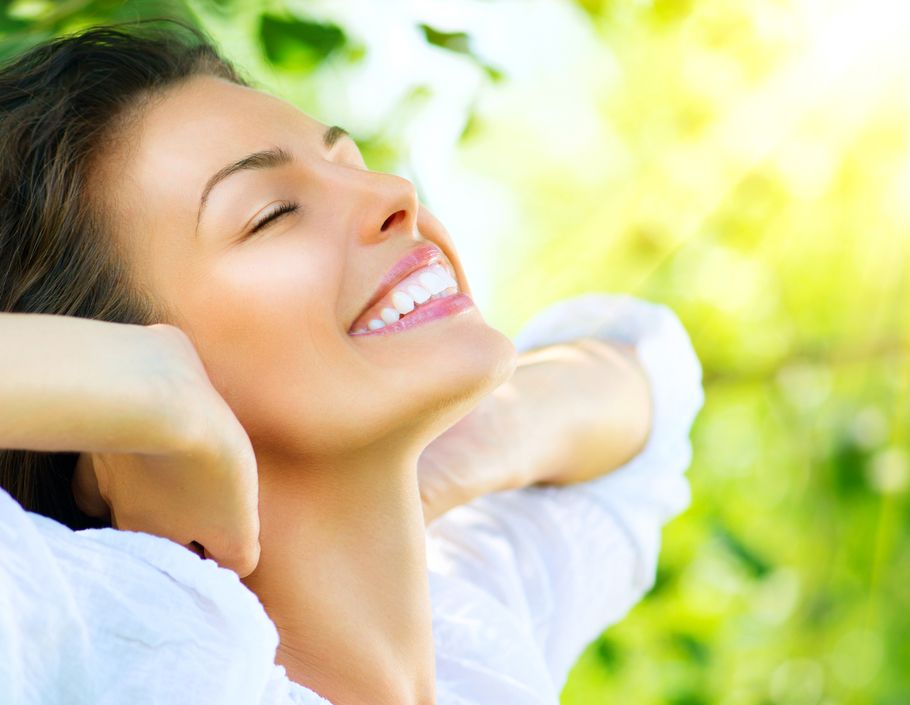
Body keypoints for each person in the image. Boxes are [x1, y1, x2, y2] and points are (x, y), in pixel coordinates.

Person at [0, 20, 704, 705]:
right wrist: (156, 395)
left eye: (349, 163)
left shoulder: (474, 650)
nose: (395, 194)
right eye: (273, 213)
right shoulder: (123, 647)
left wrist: (474, 447)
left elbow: (648, 387)